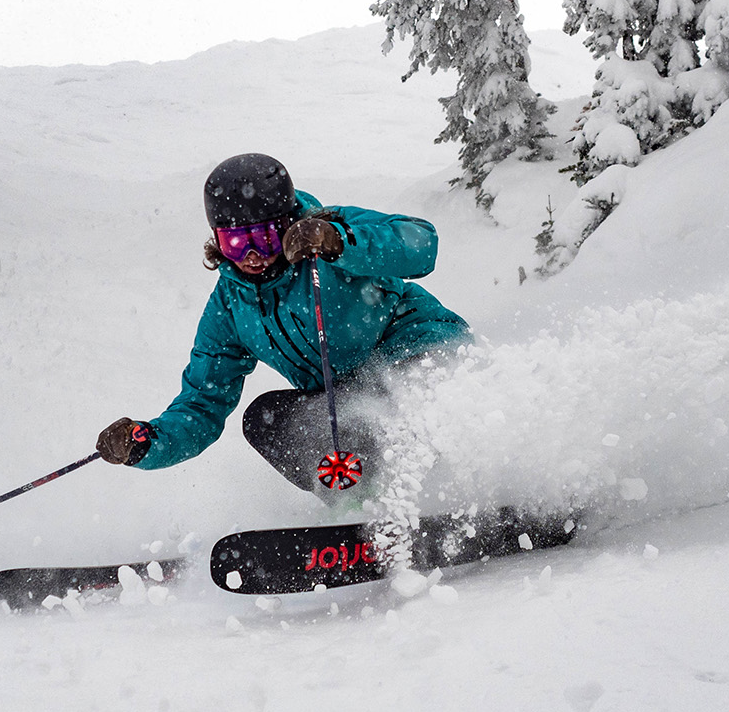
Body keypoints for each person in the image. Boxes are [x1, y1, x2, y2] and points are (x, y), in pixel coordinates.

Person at [96, 153, 472, 496]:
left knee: (404, 393)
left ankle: (460, 483)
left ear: (288, 224)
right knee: (265, 419)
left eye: (263, 237)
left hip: (421, 353)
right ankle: (360, 507)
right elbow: (202, 404)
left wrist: (340, 244)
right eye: (236, 243)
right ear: (217, 241)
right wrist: (147, 442)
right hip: (351, 399)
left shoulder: (329, 232)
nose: (253, 255)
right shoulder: (230, 307)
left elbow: (421, 244)